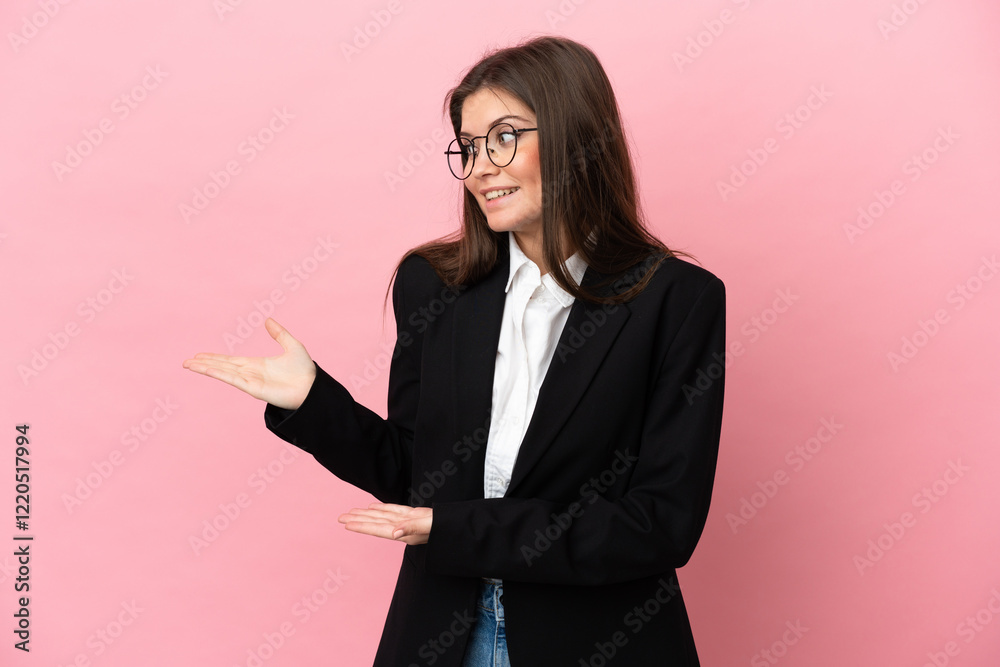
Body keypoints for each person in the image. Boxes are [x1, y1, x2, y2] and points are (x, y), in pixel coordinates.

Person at [183, 35, 725, 667]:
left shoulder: (677, 300)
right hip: (441, 634)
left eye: (504, 137)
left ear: (575, 136)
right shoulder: (433, 285)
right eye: (468, 147)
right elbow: (416, 475)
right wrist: (313, 403)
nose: (479, 168)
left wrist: (459, 530)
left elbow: (659, 524)